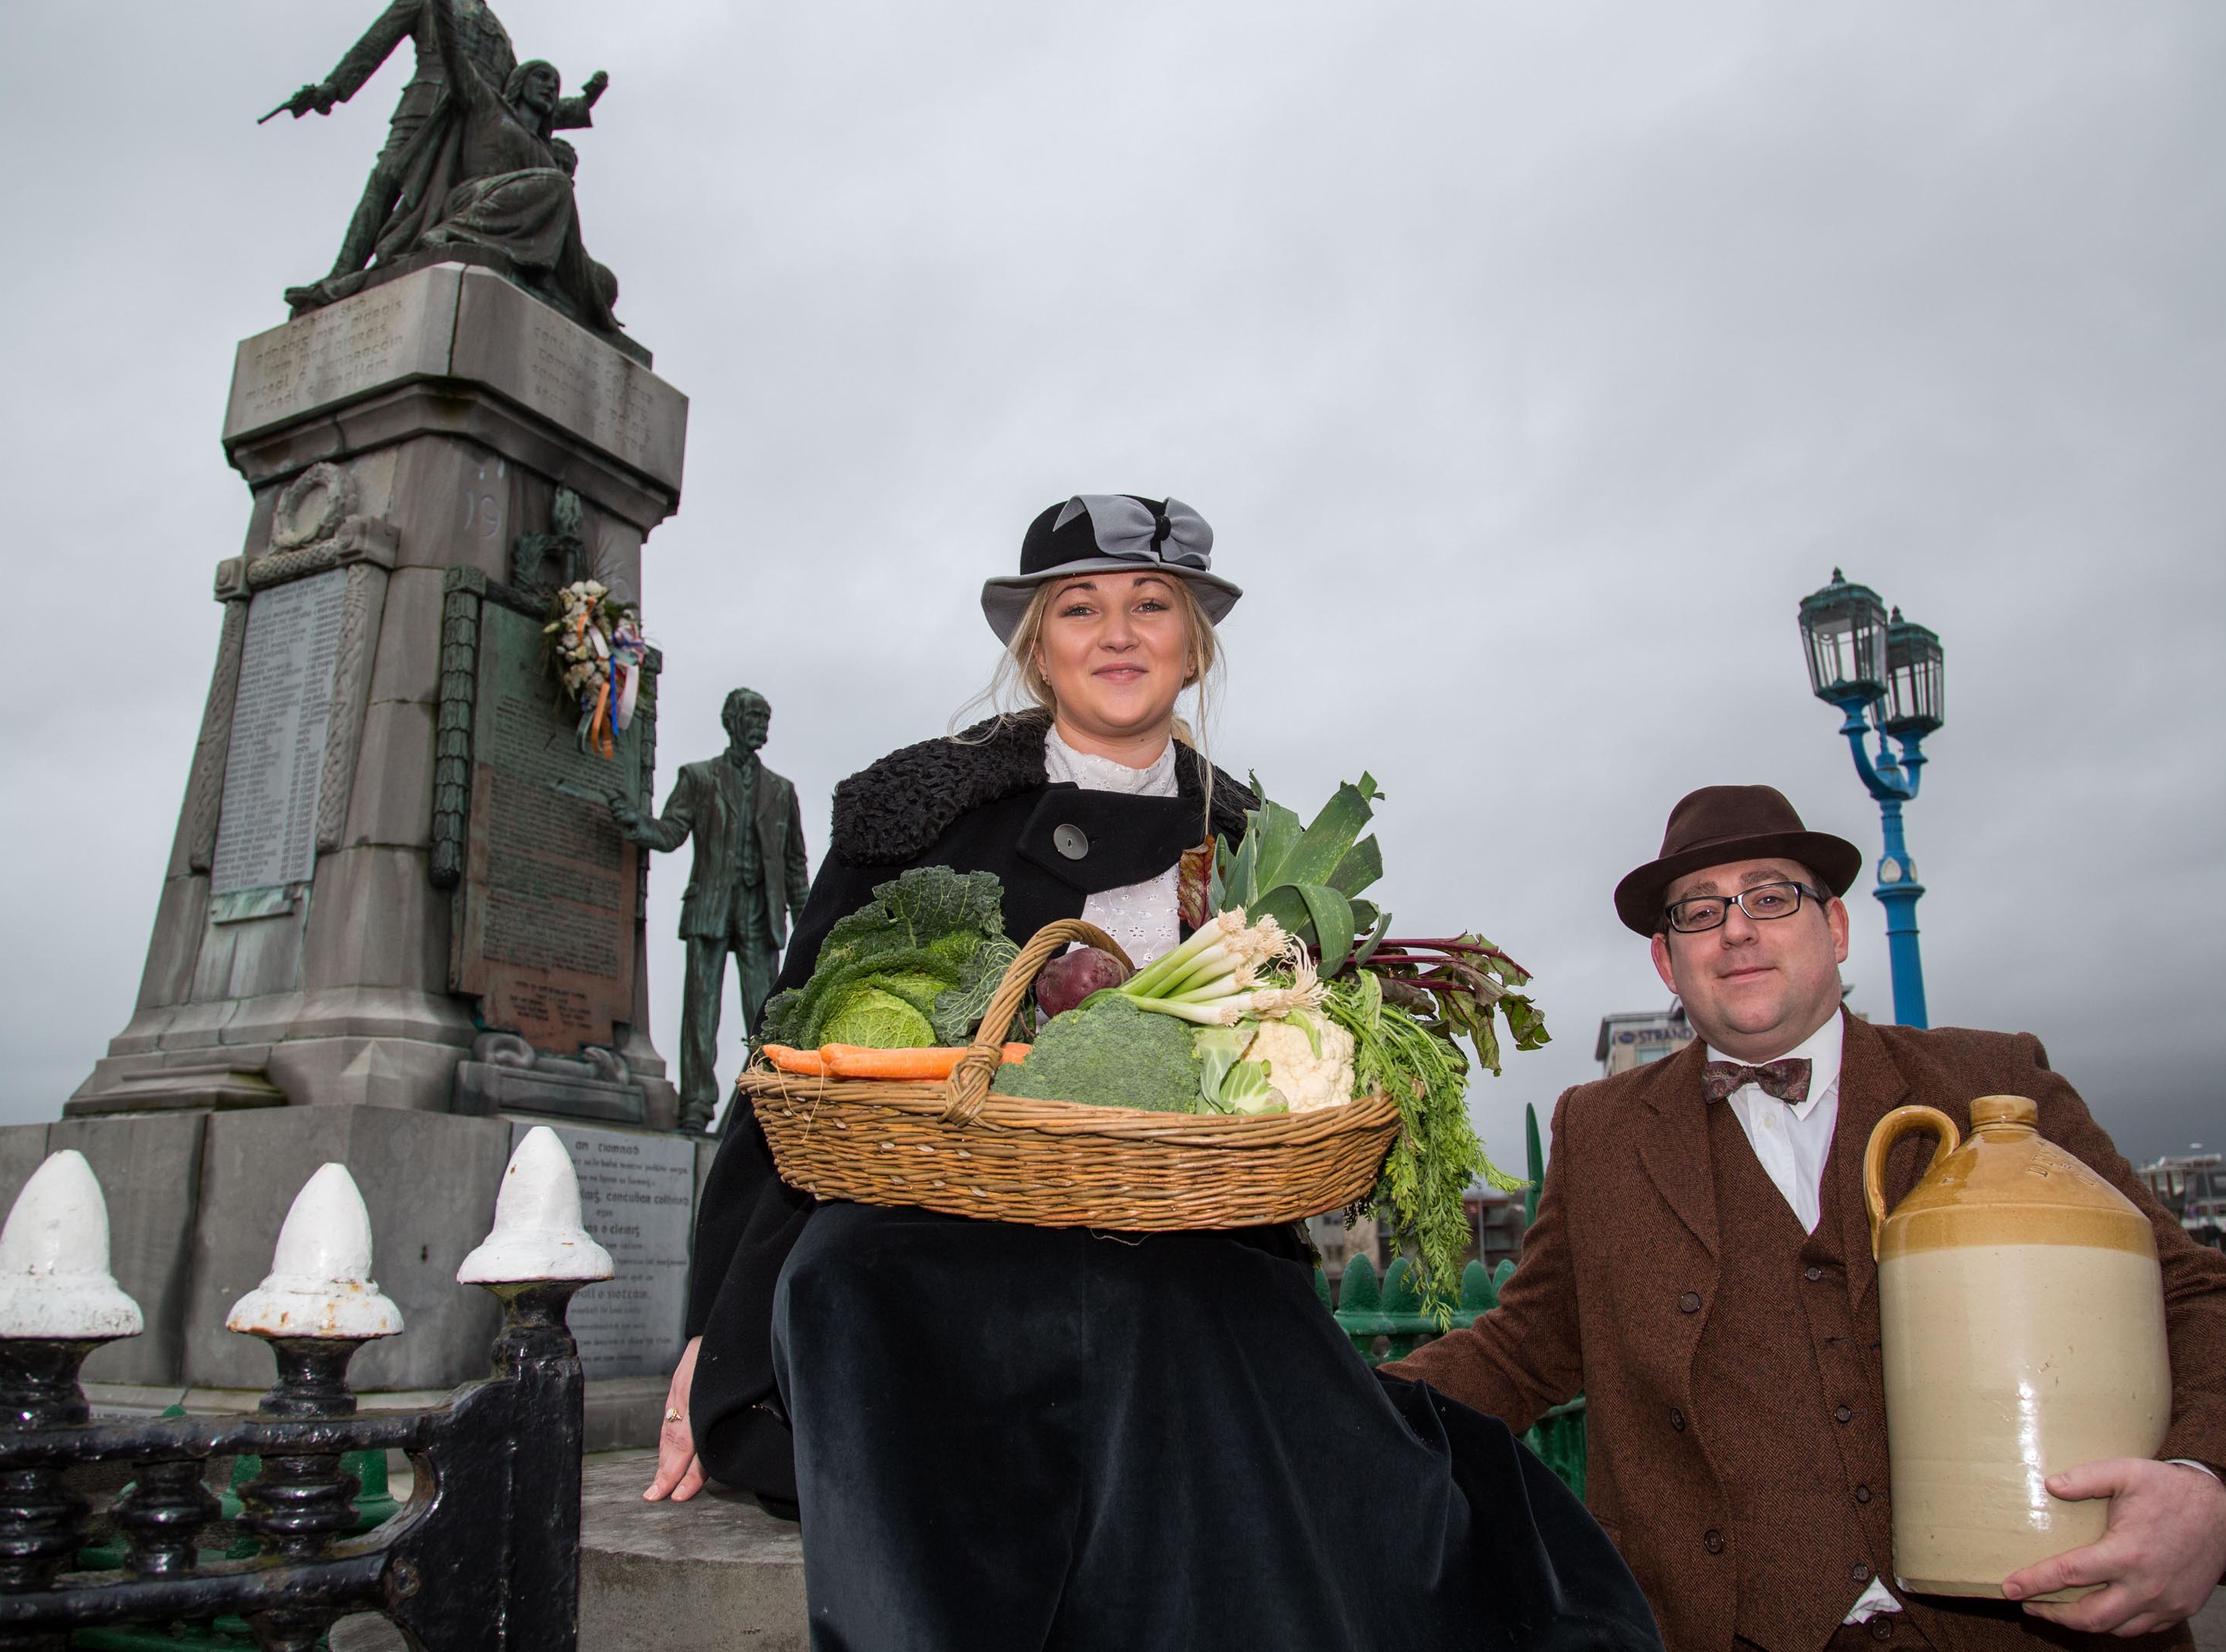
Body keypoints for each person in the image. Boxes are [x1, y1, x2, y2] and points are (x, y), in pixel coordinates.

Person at [647, 494, 1658, 1651]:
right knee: (855, 1285)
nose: (1117, 633)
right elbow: (786, 1077)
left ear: (1194, 642)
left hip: (1189, 1254)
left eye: (1150, 606)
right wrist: (713, 1340)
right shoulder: (917, 809)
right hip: (941, 1241)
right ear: (1036, 644)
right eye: (1080, 607)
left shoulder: (1256, 846)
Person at [1388, 785, 2226, 1651]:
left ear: (1833, 926)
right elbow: (1521, 1349)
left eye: (1770, 896)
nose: (1736, 927)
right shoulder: (1598, 1129)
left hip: (2034, 1624)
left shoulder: (1998, 1077)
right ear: (1667, 959)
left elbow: (2191, 1295)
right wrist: (1322, 1406)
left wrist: (2214, 1486)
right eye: (1697, 910)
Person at [269, 0, 606, 297]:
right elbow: (375, 43)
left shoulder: (497, 28)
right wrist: (331, 89)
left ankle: (432, 248)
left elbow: (514, 94)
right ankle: (339, 275)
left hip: (474, 123)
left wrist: (580, 105)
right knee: (386, 179)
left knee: (452, 198)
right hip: (426, 104)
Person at [614, 687, 810, 1133]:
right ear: (732, 721)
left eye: (767, 716)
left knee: (767, 1018)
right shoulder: (698, 778)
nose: (762, 723)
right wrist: (636, 824)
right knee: (700, 1013)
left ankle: (752, 1109)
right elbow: (669, 833)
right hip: (711, 907)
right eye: (755, 716)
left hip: (761, 915)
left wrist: (807, 928)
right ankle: (697, 1106)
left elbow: (796, 866)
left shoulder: (782, 791)